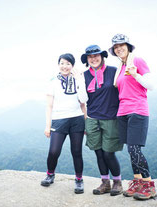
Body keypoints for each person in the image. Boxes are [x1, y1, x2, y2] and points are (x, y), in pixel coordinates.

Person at [108, 33, 156, 200]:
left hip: (138, 111)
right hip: (123, 112)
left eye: (121, 45)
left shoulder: (137, 61)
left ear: (128, 46)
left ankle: (149, 185)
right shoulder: (121, 67)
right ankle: (137, 181)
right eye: (115, 47)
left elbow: (151, 85)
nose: (118, 48)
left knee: (134, 149)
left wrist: (136, 75)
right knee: (131, 151)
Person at [41, 53, 88, 194]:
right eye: (62, 63)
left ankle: (79, 180)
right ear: (58, 64)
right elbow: (49, 105)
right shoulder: (53, 81)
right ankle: (50, 174)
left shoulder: (79, 79)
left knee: (76, 152)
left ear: (72, 66)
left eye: (68, 63)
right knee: (54, 151)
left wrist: (86, 122)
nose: (65, 66)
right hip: (58, 120)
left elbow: (83, 102)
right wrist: (47, 125)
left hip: (77, 119)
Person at [80, 45, 124, 196]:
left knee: (108, 153)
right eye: (90, 57)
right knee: (98, 153)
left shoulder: (113, 71)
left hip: (111, 118)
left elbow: (124, 89)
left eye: (96, 55)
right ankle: (105, 183)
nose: (93, 59)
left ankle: (117, 182)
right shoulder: (84, 76)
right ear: (87, 60)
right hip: (92, 119)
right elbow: (81, 100)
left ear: (102, 56)